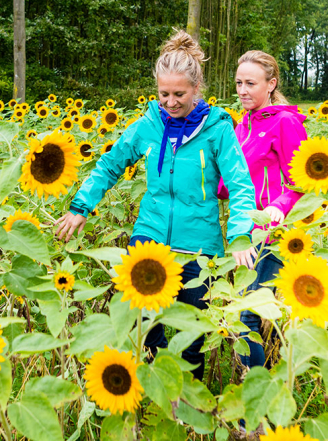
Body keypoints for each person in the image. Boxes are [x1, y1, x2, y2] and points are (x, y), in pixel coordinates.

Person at [55, 30, 257, 380]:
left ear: (197, 89)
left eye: (179, 94)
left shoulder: (219, 130)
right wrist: (80, 206)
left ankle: (188, 405)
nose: (171, 102)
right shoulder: (148, 125)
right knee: (143, 325)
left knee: (194, 333)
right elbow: (110, 165)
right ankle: (154, 387)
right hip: (148, 239)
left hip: (199, 249)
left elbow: (241, 185)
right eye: (164, 94)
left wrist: (240, 235)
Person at [219, 50, 308, 370]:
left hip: (273, 232)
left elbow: (301, 181)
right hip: (245, 231)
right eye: (239, 83)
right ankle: (257, 396)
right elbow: (237, 180)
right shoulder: (242, 124)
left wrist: (278, 207)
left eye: (251, 84)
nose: (242, 90)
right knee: (246, 314)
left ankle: (256, 403)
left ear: (271, 84)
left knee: (246, 315)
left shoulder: (284, 123)